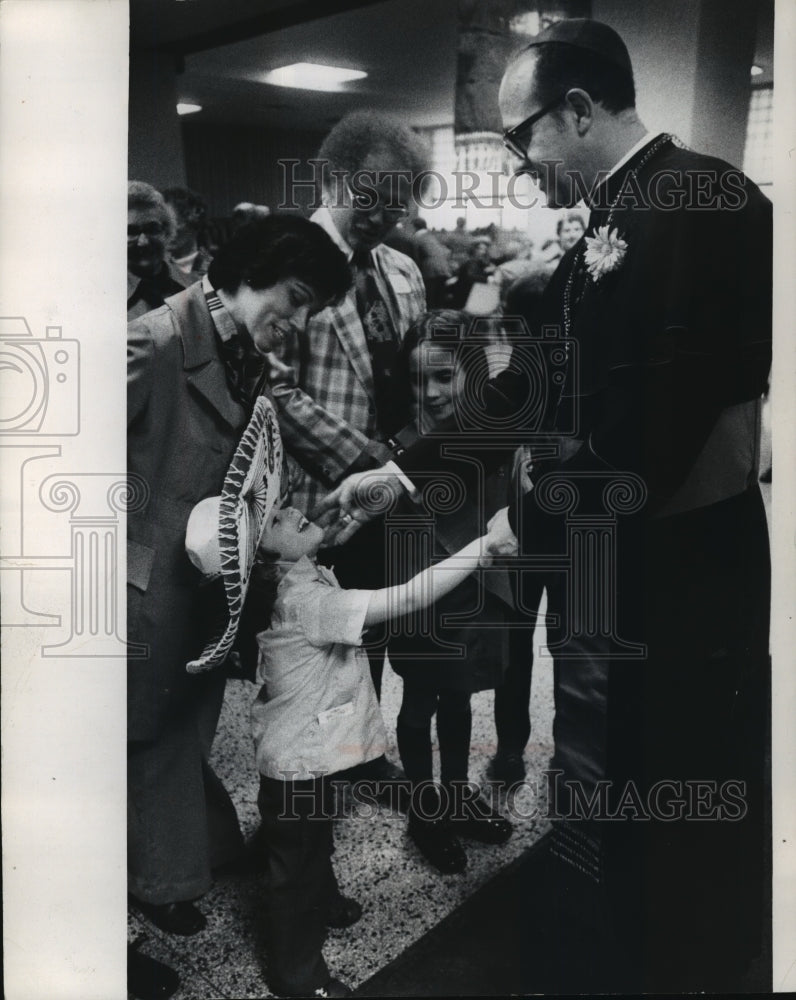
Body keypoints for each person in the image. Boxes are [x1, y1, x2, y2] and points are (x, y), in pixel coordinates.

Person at [319, 17, 772, 992]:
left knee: (670, 780)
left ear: (576, 110)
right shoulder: (608, 218)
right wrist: (403, 471)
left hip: (680, 566)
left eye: (522, 136)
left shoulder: (706, 200)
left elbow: (664, 423)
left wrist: (524, 515)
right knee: (611, 781)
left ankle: (670, 959)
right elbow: (530, 381)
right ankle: (621, 937)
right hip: (614, 555)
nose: (520, 164)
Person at [127, 215, 351, 937]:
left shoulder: (248, 357)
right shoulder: (152, 341)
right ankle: (158, 881)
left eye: (311, 307)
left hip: (197, 592)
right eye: (294, 296)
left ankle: (187, 859)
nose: (300, 319)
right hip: (139, 590)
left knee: (182, 728)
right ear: (249, 271)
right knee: (148, 734)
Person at [211, 490, 515, 999]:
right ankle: (299, 978)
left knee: (313, 844)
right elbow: (412, 596)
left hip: (319, 747)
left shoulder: (295, 576)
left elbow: (320, 524)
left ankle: (325, 897)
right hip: (301, 766)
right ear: (262, 557)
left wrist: (351, 502)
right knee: (298, 871)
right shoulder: (307, 602)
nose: (291, 509)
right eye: (275, 519)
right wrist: (484, 545)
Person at [267, 111, 429, 797]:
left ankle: (362, 748)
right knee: (323, 643)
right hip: (320, 497)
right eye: (371, 196)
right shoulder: (282, 261)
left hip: (396, 488)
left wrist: (410, 458)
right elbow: (269, 388)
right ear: (334, 177)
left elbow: (425, 374)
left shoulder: (403, 269)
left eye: (399, 200)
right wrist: (359, 455)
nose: (384, 214)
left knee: (379, 627)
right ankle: (320, 764)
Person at [388, 311, 514, 873]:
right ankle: (424, 809)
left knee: (459, 699)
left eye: (445, 377)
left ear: (471, 374)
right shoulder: (402, 449)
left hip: (472, 600)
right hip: (420, 603)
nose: (433, 392)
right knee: (419, 703)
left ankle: (457, 795)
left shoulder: (483, 439)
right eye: (421, 380)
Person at [127, 181, 189, 320]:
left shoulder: (194, 287)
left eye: (152, 229)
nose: (143, 242)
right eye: (131, 232)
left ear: (167, 233)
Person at [162, 186, 213, 283]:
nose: (164, 233)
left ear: (194, 223)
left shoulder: (215, 270)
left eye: (172, 224)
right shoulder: (152, 269)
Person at [411, 218, 453, 307]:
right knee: (440, 298)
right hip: (444, 268)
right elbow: (447, 251)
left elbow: (415, 257)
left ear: (415, 226)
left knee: (430, 299)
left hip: (430, 270)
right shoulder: (432, 236)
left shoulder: (417, 237)